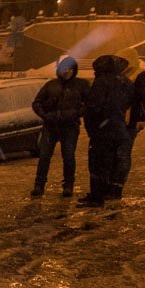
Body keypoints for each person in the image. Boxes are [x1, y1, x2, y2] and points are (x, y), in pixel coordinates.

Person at [79, 55, 134, 207]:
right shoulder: (126, 81)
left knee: (98, 163)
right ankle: (110, 191)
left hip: (103, 130)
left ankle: (96, 197)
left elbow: (93, 106)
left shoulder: (101, 82)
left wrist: (91, 122)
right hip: (119, 128)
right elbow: (130, 101)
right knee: (113, 162)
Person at [29, 56, 88, 198]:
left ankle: (68, 185)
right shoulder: (51, 85)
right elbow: (37, 102)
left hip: (70, 126)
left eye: (70, 69)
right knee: (44, 156)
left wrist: (75, 114)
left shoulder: (81, 85)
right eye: (64, 69)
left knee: (68, 157)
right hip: (51, 125)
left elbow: (89, 103)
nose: (67, 72)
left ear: (74, 70)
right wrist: (46, 115)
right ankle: (39, 185)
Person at [114, 70, 145, 199]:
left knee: (121, 154)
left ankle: (116, 184)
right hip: (129, 126)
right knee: (123, 154)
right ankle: (117, 184)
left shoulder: (134, 90)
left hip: (126, 125)